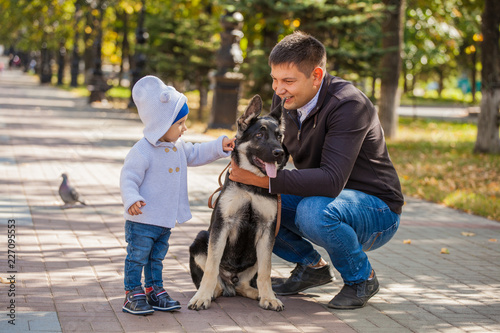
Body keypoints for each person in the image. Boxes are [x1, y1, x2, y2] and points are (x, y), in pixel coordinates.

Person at [229, 31, 404, 310]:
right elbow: (278, 153)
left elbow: (331, 181)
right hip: (324, 196)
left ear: (317, 76)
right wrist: (243, 153)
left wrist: (260, 181)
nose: (278, 89)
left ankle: (362, 278)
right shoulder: (286, 101)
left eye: (288, 81)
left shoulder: (349, 105)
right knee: (250, 205)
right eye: (274, 79)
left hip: (377, 210)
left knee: (313, 212)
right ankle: (312, 267)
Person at [120, 75, 235, 315]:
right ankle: (132, 292)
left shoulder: (177, 146)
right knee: (137, 257)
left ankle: (154, 289)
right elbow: (128, 177)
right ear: (161, 124)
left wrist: (218, 145)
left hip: (163, 220)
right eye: (180, 123)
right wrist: (131, 199)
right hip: (142, 220)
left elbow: (196, 152)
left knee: (156, 259)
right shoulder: (142, 151)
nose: (185, 128)